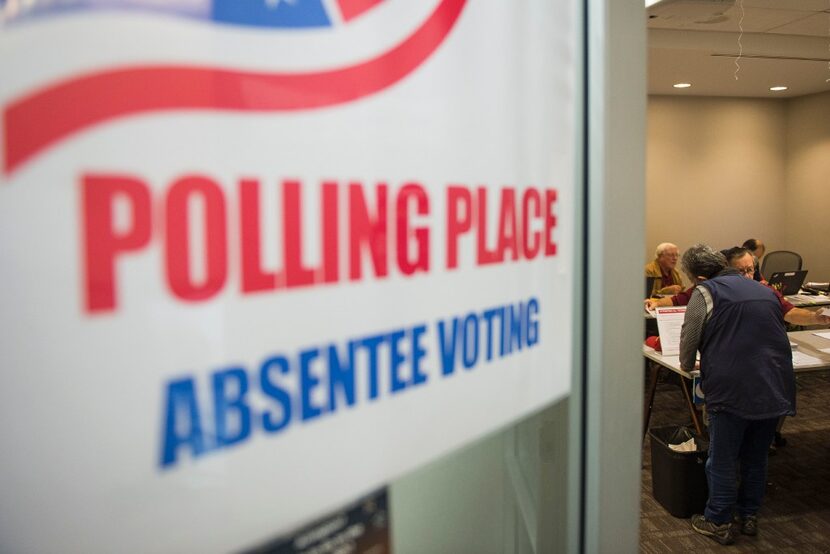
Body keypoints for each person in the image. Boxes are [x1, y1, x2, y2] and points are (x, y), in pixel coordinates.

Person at [678, 244, 795, 545]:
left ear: (700, 277)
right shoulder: (764, 289)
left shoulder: (704, 293)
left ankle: (718, 520)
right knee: (756, 457)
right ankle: (749, 515)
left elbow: (690, 337)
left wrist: (687, 364)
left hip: (732, 387)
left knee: (723, 458)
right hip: (773, 384)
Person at [646, 247, 830, 327]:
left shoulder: (765, 290)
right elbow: (680, 299)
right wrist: (657, 303)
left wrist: (815, 317)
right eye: (741, 271)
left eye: (751, 270)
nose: (747, 275)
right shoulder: (711, 288)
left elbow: (788, 312)